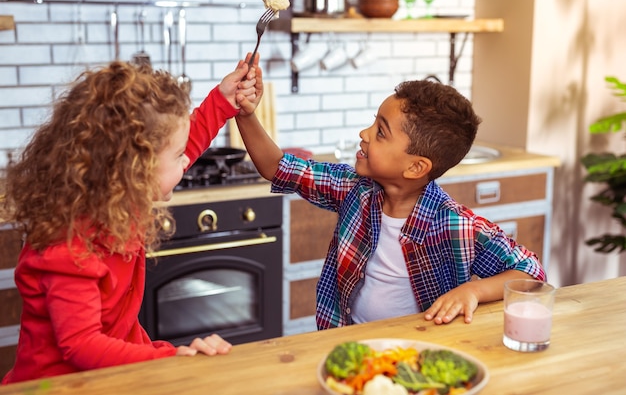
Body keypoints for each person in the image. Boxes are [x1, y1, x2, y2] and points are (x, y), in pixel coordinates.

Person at [1, 54, 263, 384]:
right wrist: (172, 356)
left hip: (113, 373)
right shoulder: (68, 247)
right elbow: (81, 345)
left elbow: (182, 142)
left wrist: (222, 101)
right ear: (135, 170)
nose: (187, 162)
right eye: (179, 155)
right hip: (57, 385)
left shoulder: (117, 200)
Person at [235, 74, 546, 330]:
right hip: (348, 341)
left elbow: (531, 273)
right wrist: (245, 114)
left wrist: (473, 290)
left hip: (417, 352)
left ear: (415, 167)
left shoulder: (454, 224)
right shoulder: (355, 190)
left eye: (380, 132)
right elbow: (278, 168)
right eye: (374, 123)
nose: (364, 133)